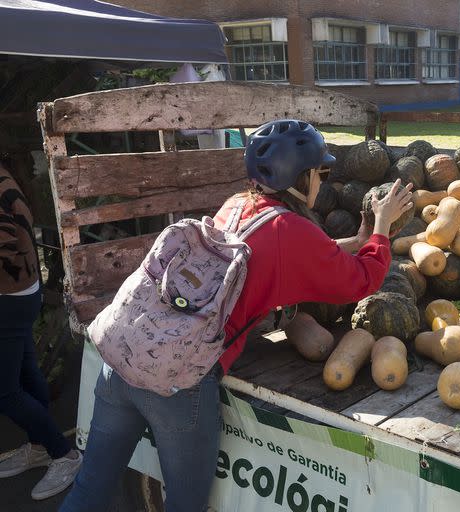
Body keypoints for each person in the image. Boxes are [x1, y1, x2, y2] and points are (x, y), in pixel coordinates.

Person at [58, 119, 413, 512]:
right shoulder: (288, 228)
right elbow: (360, 282)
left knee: (90, 489)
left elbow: (299, 253)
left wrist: (358, 241)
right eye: (320, 172)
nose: (322, 182)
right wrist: (381, 228)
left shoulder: (238, 204)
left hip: (122, 355)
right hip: (174, 383)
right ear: (299, 176)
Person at [0, 162, 82, 500]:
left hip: (7, 295)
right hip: (24, 289)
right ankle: (39, 445)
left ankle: (64, 453)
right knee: (25, 370)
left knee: (4, 392)